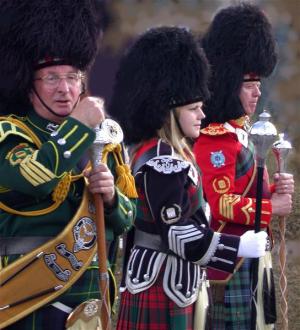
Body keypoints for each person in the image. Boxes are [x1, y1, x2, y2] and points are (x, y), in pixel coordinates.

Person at [107, 26, 268, 330]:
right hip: (163, 285)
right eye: (193, 108)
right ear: (169, 112)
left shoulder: (159, 152)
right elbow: (180, 236)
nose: (201, 115)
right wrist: (239, 246)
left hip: (171, 282)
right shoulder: (162, 163)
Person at [0, 1, 136, 329]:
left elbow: (129, 217)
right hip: (25, 292)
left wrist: (112, 199)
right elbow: (36, 178)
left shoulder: (105, 139)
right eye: (51, 78)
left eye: (73, 77)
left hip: (90, 293)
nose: (65, 89)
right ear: (28, 84)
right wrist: (77, 125)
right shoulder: (10, 132)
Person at [193, 3, 294, 329]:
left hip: (251, 256)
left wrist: (275, 190)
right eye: (249, 85)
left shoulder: (240, 133)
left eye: (258, 84)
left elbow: (249, 187)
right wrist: (271, 206)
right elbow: (221, 203)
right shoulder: (214, 141)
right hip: (228, 264)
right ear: (229, 85)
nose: (257, 92)